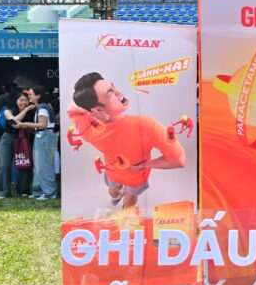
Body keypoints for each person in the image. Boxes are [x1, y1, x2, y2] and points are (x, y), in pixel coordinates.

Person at [67, 73, 187, 209]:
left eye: (113, 86)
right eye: (110, 93)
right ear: (98, 109)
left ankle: (115, 198)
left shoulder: (88, 131)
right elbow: (179, 161)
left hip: (112, 172)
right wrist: (144, 165)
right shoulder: (148, 126)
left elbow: (71, 109)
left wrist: (93, 114)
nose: (119, 92)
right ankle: (123, 207)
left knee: (113, 191)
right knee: (130, 200)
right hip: (136, 176)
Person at [0, 89, 35, 199]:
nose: (24, 102)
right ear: (16, 101)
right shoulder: (7, 111)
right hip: (8, 139)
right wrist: (26, 110)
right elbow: (13, 123)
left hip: (24, 139)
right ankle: (3, 191)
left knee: (25, 163)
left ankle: (23, 190)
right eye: (21, 100)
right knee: (5, 165)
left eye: (26, 100)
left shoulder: (33, 111)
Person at [26, 86, 58, 200]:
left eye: (31, 94)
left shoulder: (42, 108)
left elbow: (42, 125)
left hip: (44, 135)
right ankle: (38, 191)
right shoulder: (43, 107)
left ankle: (49, 193)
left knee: (44, 166)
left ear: (38, 96)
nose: (29, 96)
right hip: (42, 135)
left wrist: (24, 124)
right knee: (39, 165)